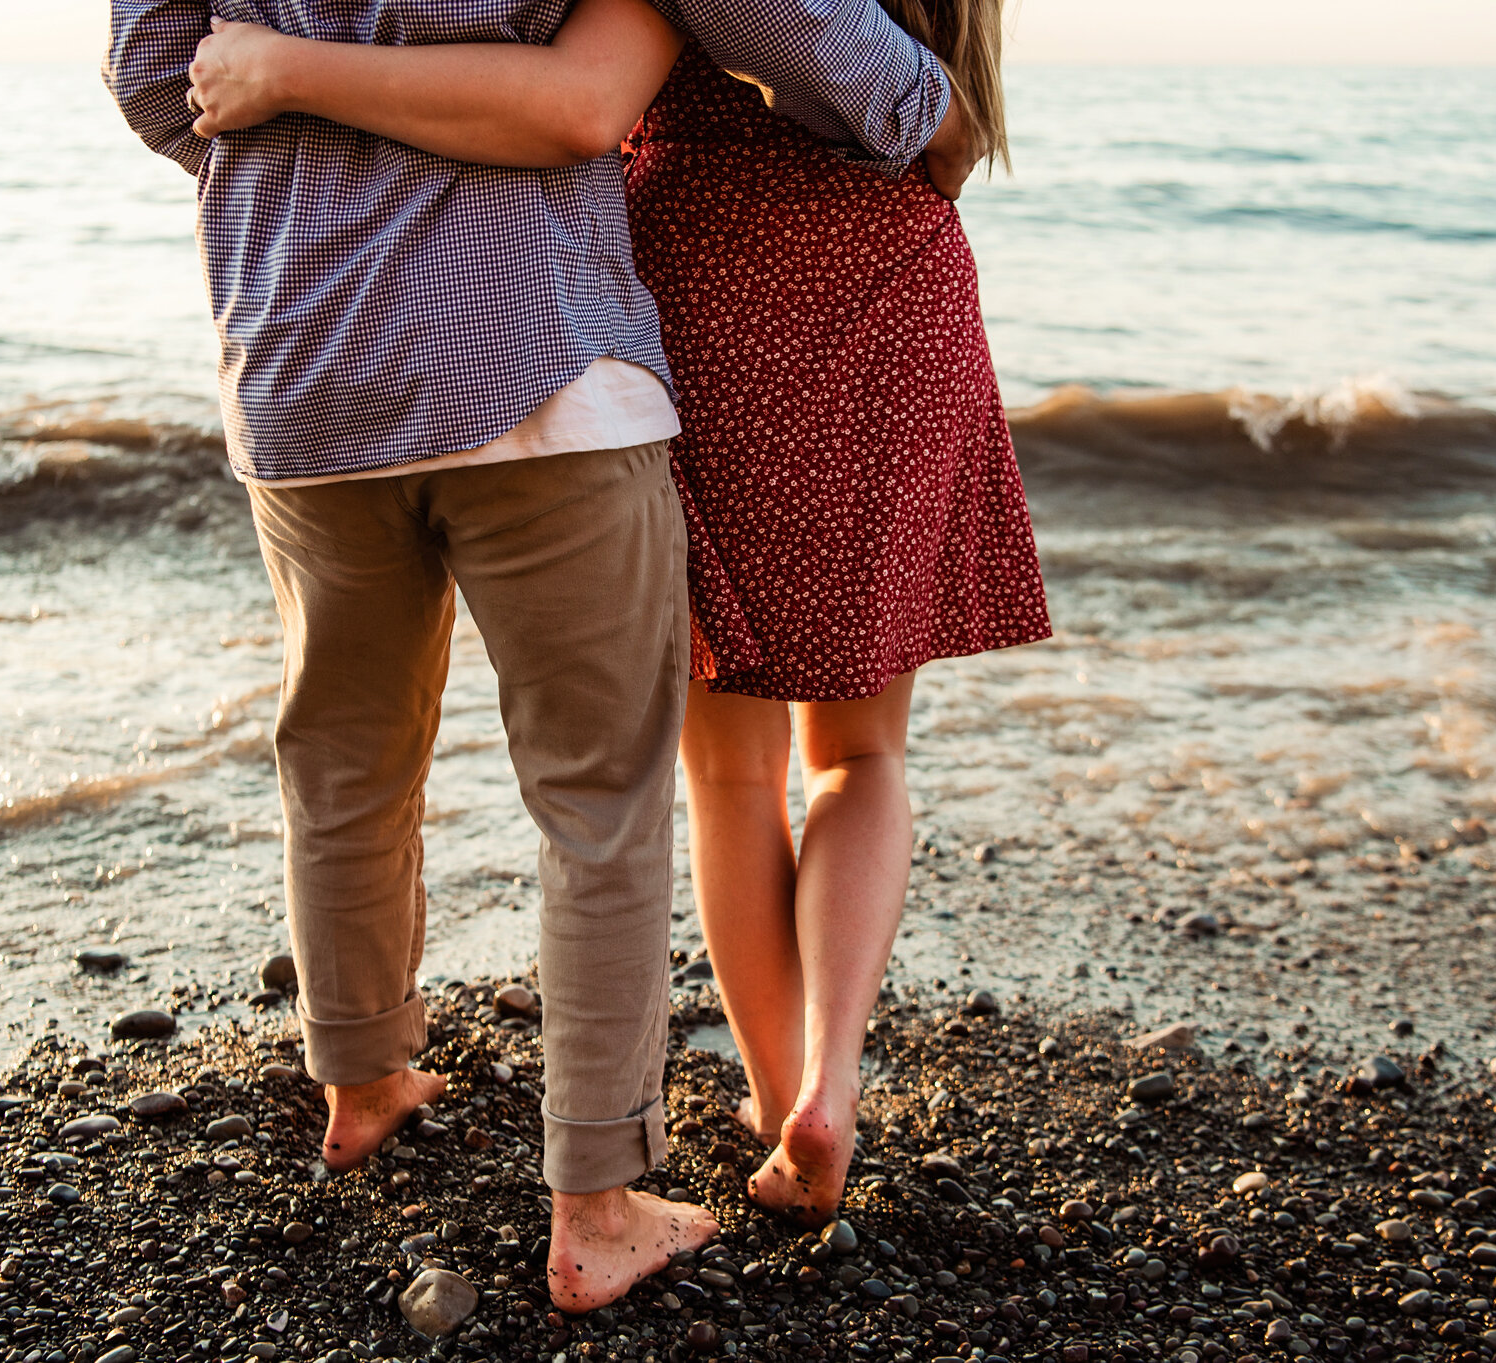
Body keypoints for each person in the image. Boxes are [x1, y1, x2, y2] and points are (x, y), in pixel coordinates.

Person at [104, 0, 971, 1311]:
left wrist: (307, 129)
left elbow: (162, 85)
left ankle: (364, 1083)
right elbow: (592, 100)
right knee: (608, 796)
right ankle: (625, 1194)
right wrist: (937, 110)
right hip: (548, 361)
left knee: (346, 758)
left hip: (301, 354)